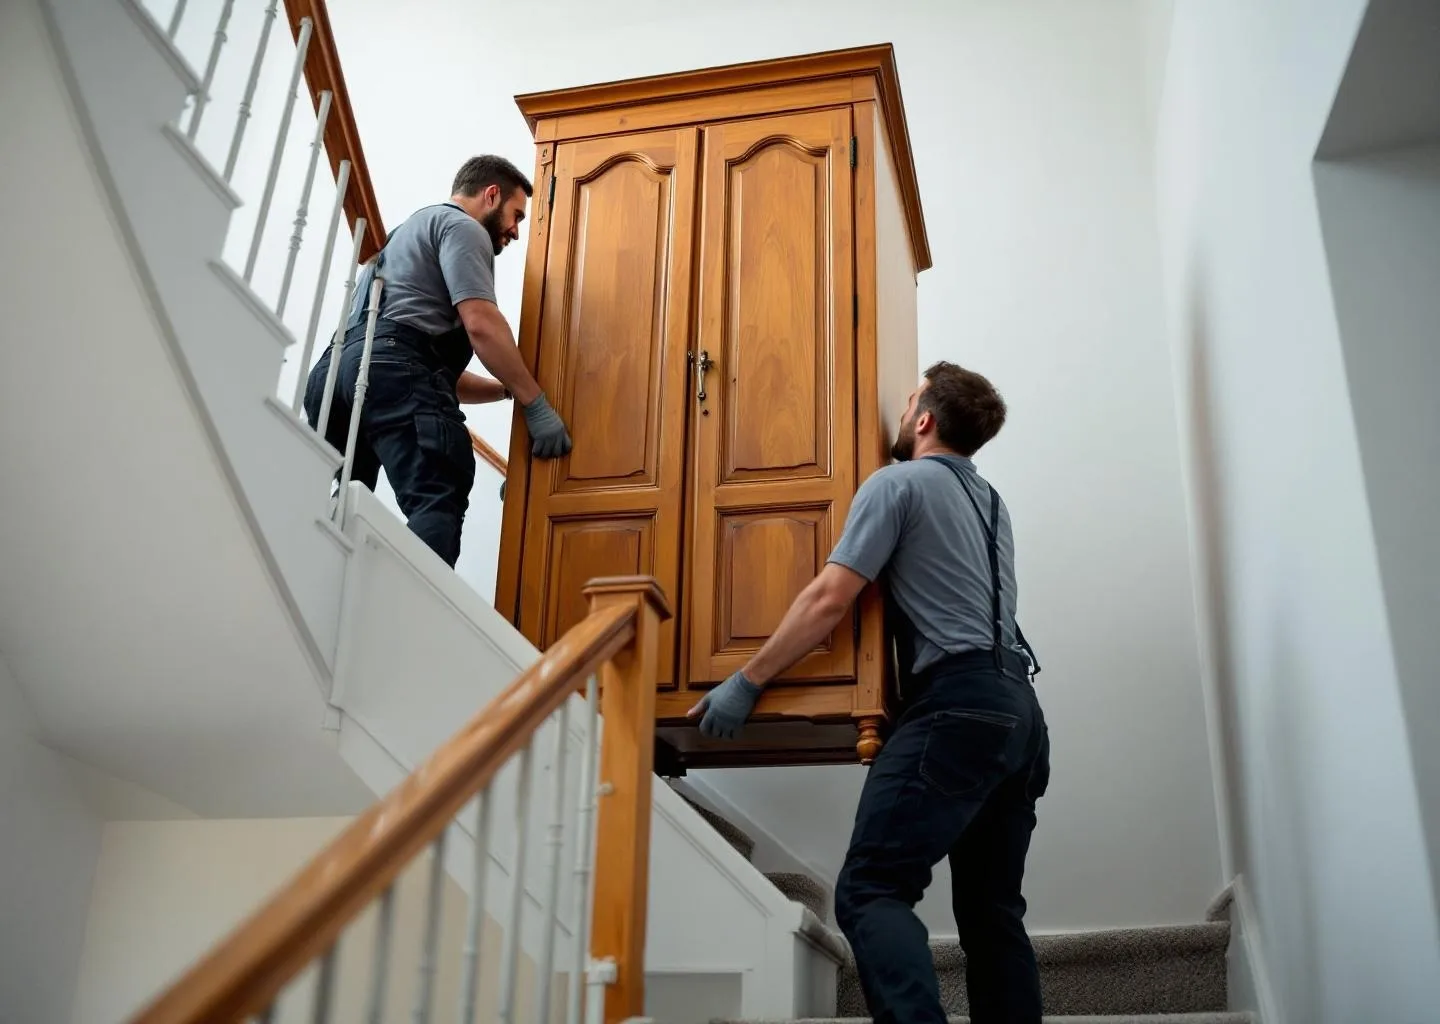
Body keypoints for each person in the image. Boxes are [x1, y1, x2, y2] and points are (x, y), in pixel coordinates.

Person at [688, 361, 1049, 1024]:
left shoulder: (898, 485)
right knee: (992, 910)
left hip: (959, 703)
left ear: (923, 420)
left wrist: (747, 679)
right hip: (1020, 713)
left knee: (870, 888)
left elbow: (830, 598)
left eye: (909, 398)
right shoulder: (993, 504)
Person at [305, 155, 571, 567]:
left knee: (342, 504)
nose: (516, 231)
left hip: (336, 373)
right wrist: (535, 402)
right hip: (388, 369)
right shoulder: (464, 229)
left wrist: (506, 390)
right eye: (516, 215)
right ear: (491, 194)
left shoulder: (401, 235)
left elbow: (430, 373)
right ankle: (414, 622)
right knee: (439, 492)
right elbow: (480, 324)